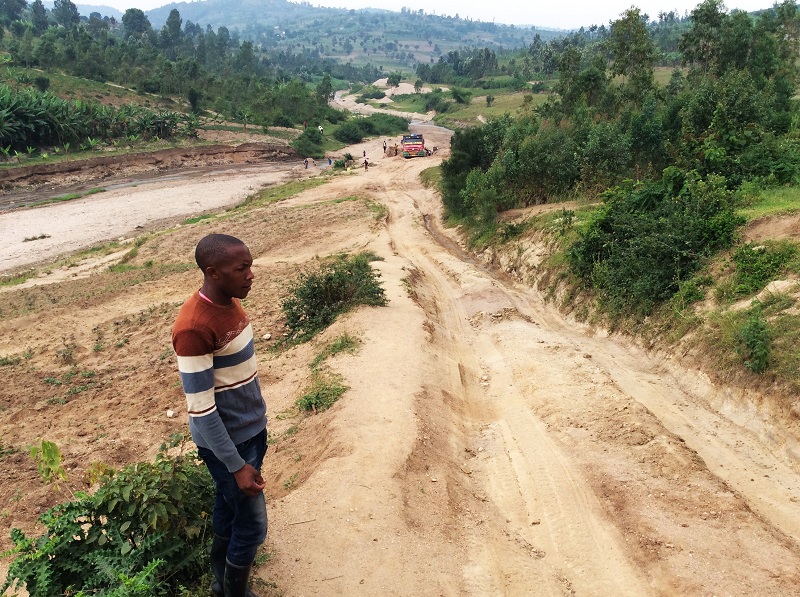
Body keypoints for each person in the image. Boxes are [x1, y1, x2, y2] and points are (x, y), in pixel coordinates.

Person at [172, 234, 267, 597]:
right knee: (252, 525)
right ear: (213, 272)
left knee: (229, 511)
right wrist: (236, 465)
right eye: (241, 268)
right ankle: (235, 593)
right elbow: (201, 408)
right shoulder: (193, 327)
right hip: (229, 446)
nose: (250, 274)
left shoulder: (229, 301)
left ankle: (219, 585)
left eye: (250, 265)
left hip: (250, 433)